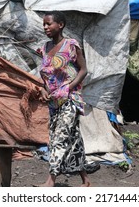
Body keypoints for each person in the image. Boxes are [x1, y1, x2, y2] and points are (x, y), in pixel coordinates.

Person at [36, 11, 91, 187]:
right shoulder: (44, 48)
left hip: (70, 99)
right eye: (44, 24)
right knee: (73, 138)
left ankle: (50, 180)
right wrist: (43, 89)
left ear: (60, 25)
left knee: (59, 137)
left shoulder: (71, 45)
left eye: (49, 24)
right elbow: (45, 75)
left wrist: (69, 87)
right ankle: (86, 180)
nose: (45, 27)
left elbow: (83, 70)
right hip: (53, 101)